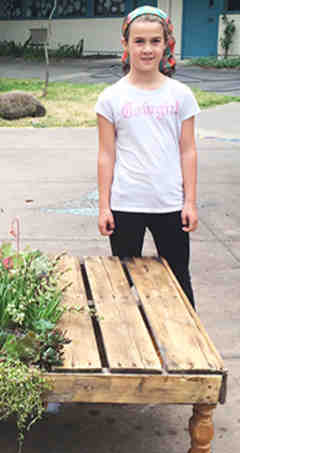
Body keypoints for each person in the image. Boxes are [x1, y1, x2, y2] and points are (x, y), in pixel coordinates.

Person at [95, 6, 199, 307]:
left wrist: (190, 201)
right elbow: (106, 154)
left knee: (178, 278)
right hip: (126, 203)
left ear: (166, 44)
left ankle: (186, 336)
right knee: (123, 282)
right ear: (125, 44)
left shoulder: (180, 95)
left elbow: (188, 150)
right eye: (139, 41)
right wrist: (104, 206)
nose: (147, 49)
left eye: (155, 41)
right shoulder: (111, 97)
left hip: (170, 203)